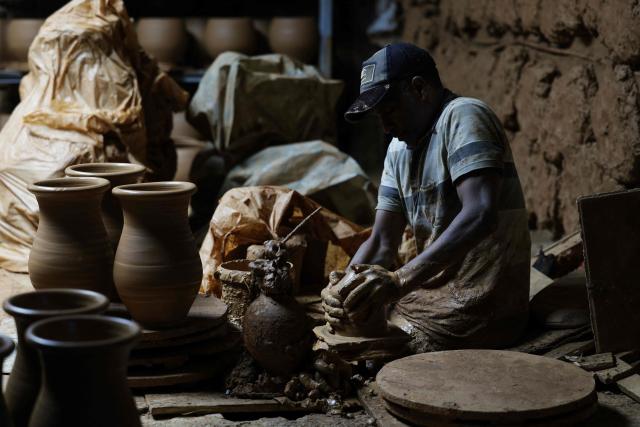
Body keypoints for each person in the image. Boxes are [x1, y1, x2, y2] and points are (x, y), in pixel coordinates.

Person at [321, 43, 531, 353]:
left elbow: (480, 213)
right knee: (355, 312)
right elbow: (381, 242)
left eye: (389, 111)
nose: (385, 126)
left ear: (419, 89)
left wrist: (400, 280)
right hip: (432, 295)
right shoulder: (397, 150)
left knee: (375, 352)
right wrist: (343, 287)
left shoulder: (463, 116)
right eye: (379, 116)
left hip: (484, 300)